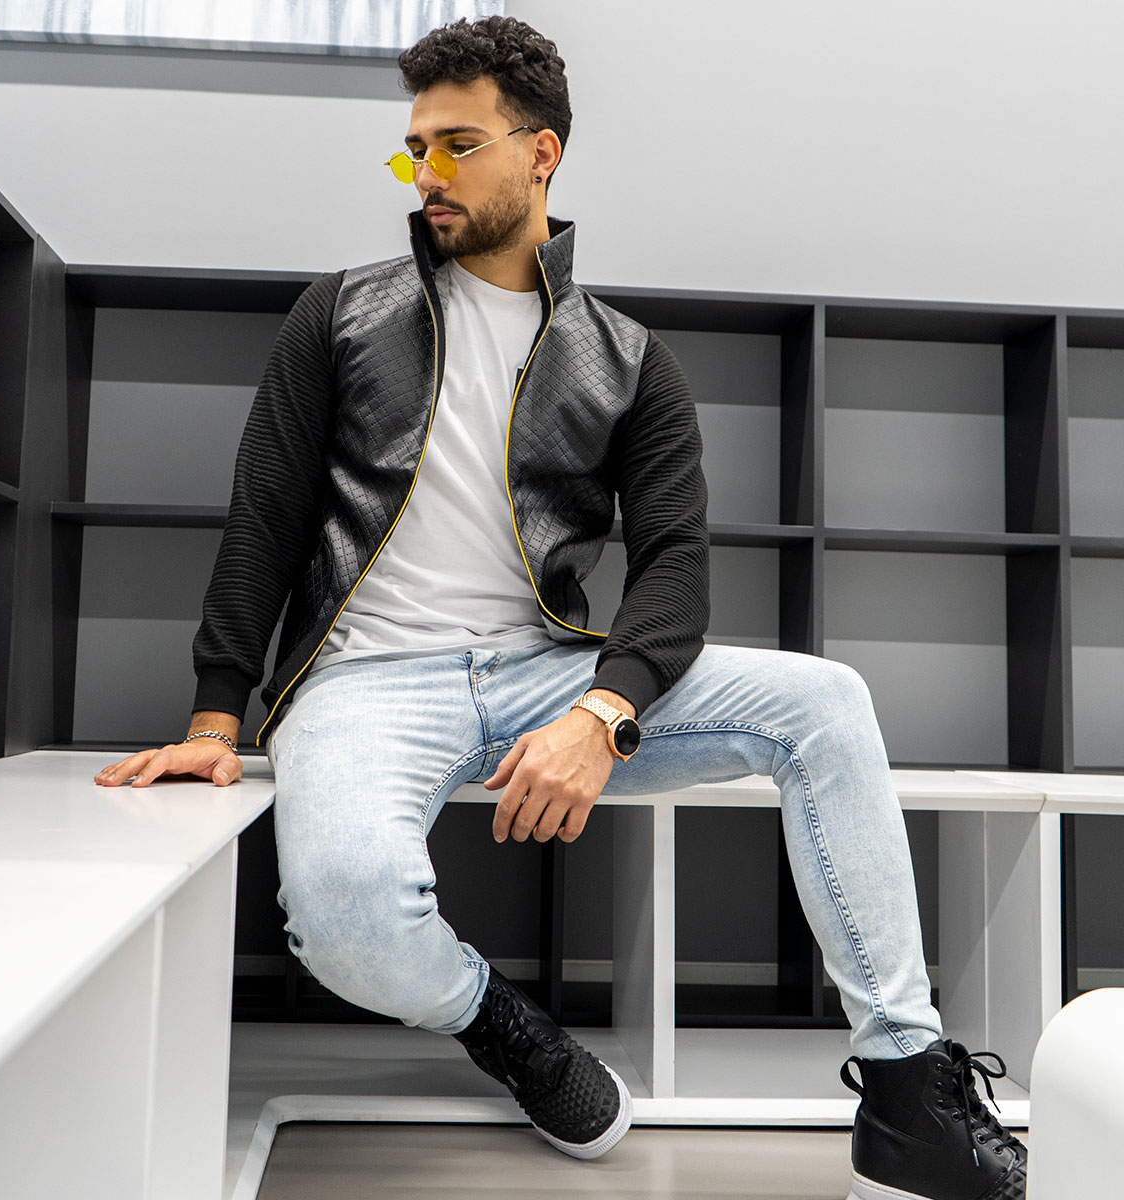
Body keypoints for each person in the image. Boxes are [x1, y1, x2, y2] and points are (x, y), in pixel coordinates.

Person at [95, 15, 1026, 1198]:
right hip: (366, 681)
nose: (426, 173)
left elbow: (676, 568)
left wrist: (603, 713)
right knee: (344, 915)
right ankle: (503, 1027)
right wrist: (217, 718)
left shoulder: (629, 360)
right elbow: (264, 519)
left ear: (542, 154)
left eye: (457, 144)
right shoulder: (338, 314)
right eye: (415, 147)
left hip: (549, 672)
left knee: (827, 701)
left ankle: (907, 1092)